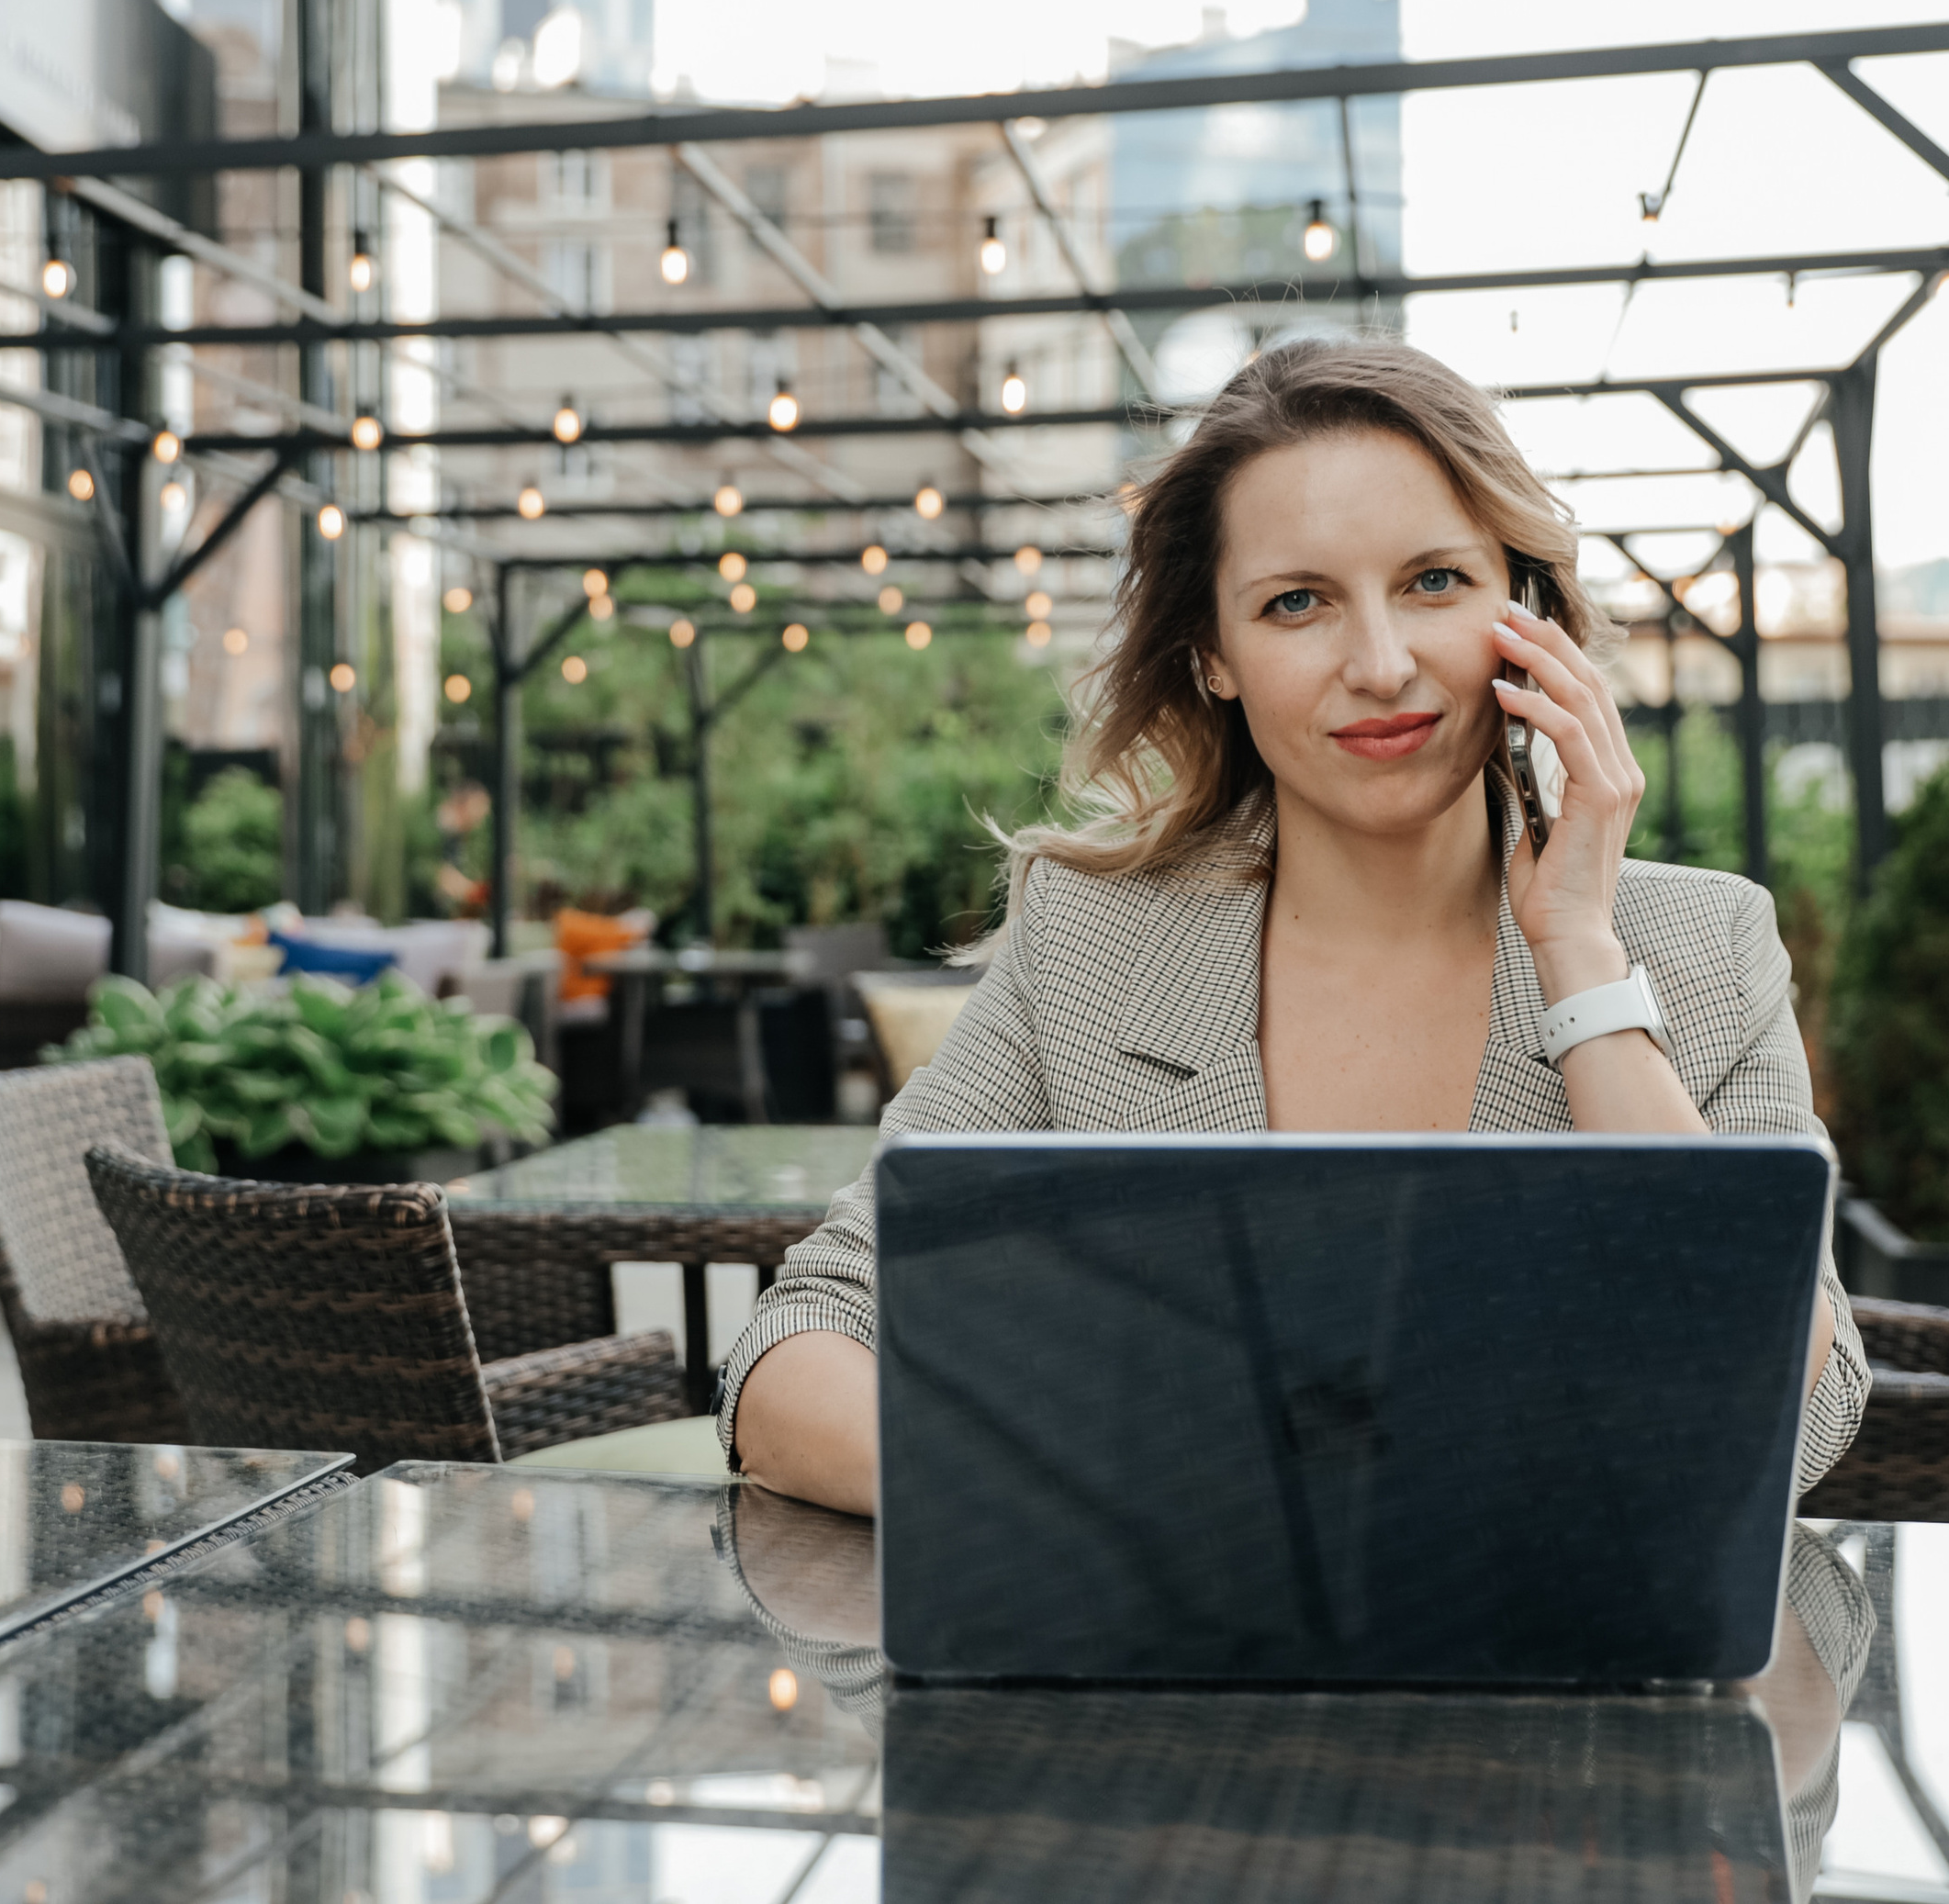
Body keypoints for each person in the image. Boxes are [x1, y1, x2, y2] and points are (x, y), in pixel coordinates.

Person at [724, 338, 1868, 1516]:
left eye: (1434, 581)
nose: (1380, 664)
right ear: (1212, 656)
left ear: (1523, 611)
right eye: (1296, 602)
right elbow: (801, 1342)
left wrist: (1579, 956)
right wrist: (1106, 1495)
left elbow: (1780, 1402)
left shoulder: (1702, 945)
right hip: (1184, 1624)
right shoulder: (1091, 943)